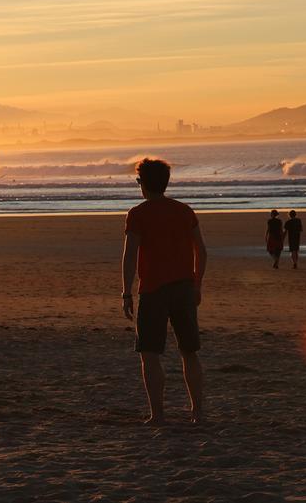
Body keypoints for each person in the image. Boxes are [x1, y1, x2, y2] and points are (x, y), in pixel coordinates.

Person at [121, 158, 207, 425]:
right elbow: (201, 251)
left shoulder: (138, 214)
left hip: (153, 289)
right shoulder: (184, 211)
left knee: (149, 353)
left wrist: (126, 292)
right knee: (189, 352)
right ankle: (198, 413)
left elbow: (130, 256)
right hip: (183, 287)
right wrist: (197, 284)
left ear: (143, 184)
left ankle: (157, 414)